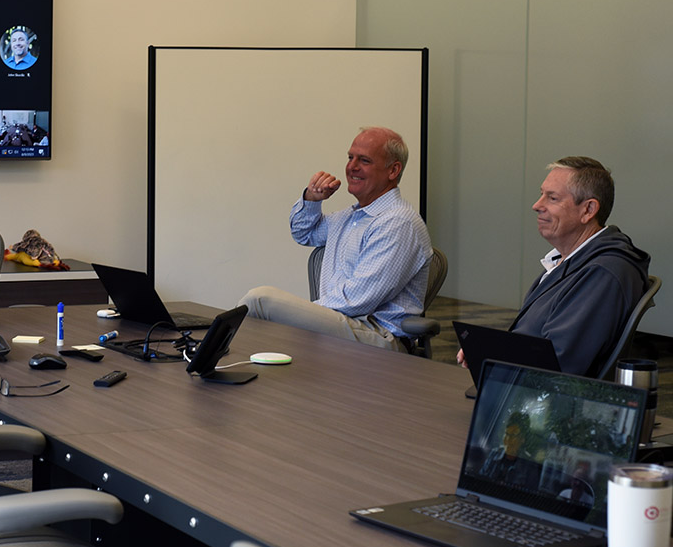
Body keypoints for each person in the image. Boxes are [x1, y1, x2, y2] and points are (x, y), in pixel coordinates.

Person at [239, 126, 432, 352]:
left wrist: (304, 313)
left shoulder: (398, 222)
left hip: (378, 338)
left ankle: (211, 356)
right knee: (265, 328)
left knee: (260, 300)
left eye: (365, 160)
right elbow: (304, 233)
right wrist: (312, 199)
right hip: (346, 326)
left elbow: (357, 300)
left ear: (393, 170)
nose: (352, 167)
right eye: (350, 157)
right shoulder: (350, 217)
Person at [457, 157, 650, 376]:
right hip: (518, 389)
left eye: (552, 198)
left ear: (588, 210)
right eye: (542, 194)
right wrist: (489, 351)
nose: (537, 205)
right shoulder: (570, 260)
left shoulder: (603, 273)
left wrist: (492, 360)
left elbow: (557, 363)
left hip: (543, 400)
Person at [480, 414, 542, 491]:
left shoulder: (530, 466)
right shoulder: (494, 454)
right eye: (506, 434)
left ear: (522, 439)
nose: (508, 440)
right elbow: (480, 481)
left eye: (513, 435)